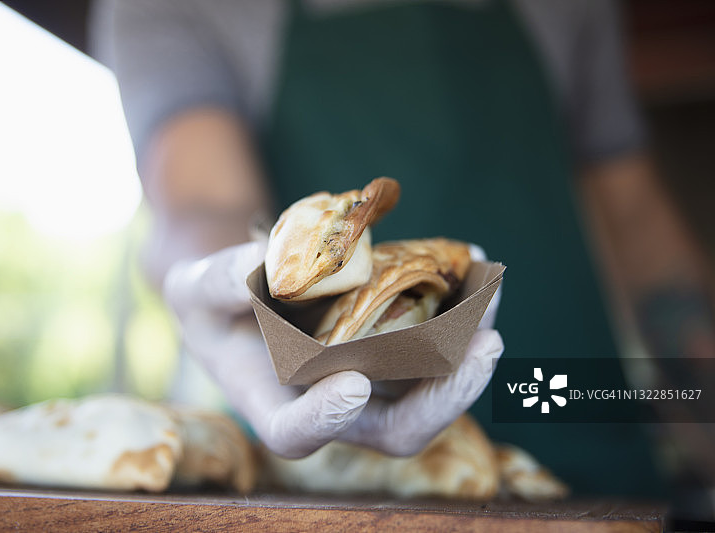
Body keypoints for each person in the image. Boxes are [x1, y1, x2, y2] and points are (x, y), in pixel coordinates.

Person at [90, 0, 715, 498]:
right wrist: (227, 289)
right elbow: (203, 203)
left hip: (580, 436)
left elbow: (634, 217)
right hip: (345, 472)